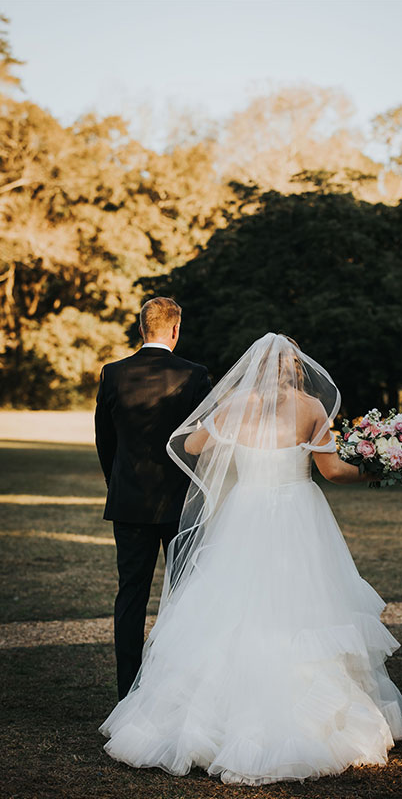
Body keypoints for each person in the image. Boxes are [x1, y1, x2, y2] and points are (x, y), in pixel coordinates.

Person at [99, 332, 402, 785]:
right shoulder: (311, 408)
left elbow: (189, 446)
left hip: (243, 513)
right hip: (298, 516)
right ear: (297, 366)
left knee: (231, 610)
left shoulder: (232, 405)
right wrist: (377, 465)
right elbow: (333, 471)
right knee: (302, 610)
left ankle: (205, 722)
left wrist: (230, 440)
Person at [94, 296, 211, 700]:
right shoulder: (194, 376)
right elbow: (202, 446)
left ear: (141, 327)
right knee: (183, 596)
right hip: (181, 504)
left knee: (131, 596)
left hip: (129, 502)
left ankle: (128, 692)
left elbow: (104, 441)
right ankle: (177, 689)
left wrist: (119, 483)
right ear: (175, 329)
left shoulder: (112, 374)